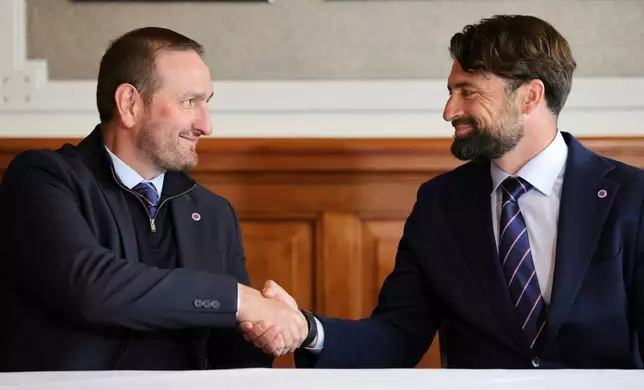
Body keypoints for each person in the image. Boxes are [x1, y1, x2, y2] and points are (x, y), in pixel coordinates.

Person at [242, 14, 644, 369]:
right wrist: (308, 330)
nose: (449, 111)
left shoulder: (632, 196)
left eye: (468, 91)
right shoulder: (440, 203)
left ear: (530, 96)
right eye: (451, 91)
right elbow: (396, 337)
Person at [0, 27, 307, 371]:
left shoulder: (213, 213)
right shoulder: (41, 180)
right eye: (189, 102)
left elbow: (231, 361)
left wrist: (264, 333)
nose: (206, 125)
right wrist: (238, 299)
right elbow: (91, 286)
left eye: (207, 103)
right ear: (129, 104)